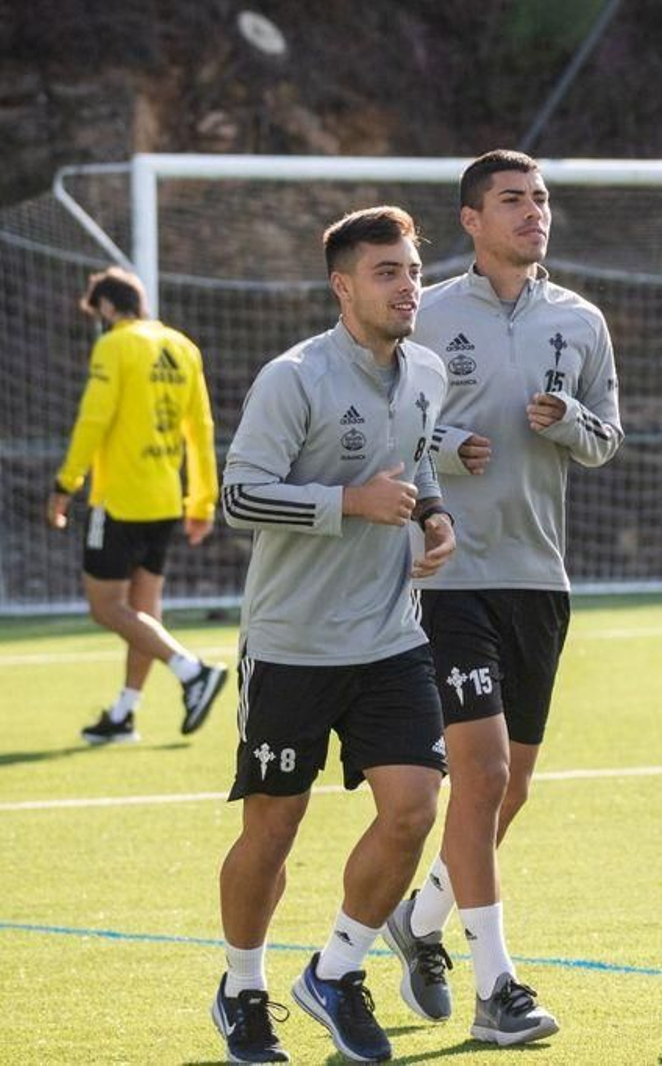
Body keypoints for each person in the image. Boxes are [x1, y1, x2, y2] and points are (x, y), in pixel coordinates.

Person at [382, 148, 623, 1046]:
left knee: (507, 789)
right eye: (514, 201)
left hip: (540, 576)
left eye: (542, 199)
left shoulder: (581, 319)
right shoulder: (426, 313)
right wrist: (444, 446)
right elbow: (383, 424)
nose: (534, 213)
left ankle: (420, 922)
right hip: (450, 578)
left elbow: (608, 434)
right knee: (478, 776)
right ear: (472, 221)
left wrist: (575, 425)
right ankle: (499, 989)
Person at [212, 205, 455, 1063]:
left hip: (391, 639)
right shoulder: (294, 378)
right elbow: (238, 496)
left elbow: (418, 463)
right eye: (387, 272)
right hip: (291, 646)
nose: (407, 287)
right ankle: (243, 988)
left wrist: (432, 514)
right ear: (342, 286)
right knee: (272, 830)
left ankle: (337, 970)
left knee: (414, 808)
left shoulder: (428, 371)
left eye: (414, 271)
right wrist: (348, 504)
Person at [48, 266, 227, 745]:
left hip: (122, 500)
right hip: (167, 499)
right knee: (143, 613)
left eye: (97, 313)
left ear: (107, 307)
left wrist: (66, 483)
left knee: (105, 607)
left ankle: (192, 672)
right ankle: (125, 713)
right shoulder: (182, 347)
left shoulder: (114, 345)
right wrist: (202, 501)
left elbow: (94, 419)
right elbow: (201, 429)